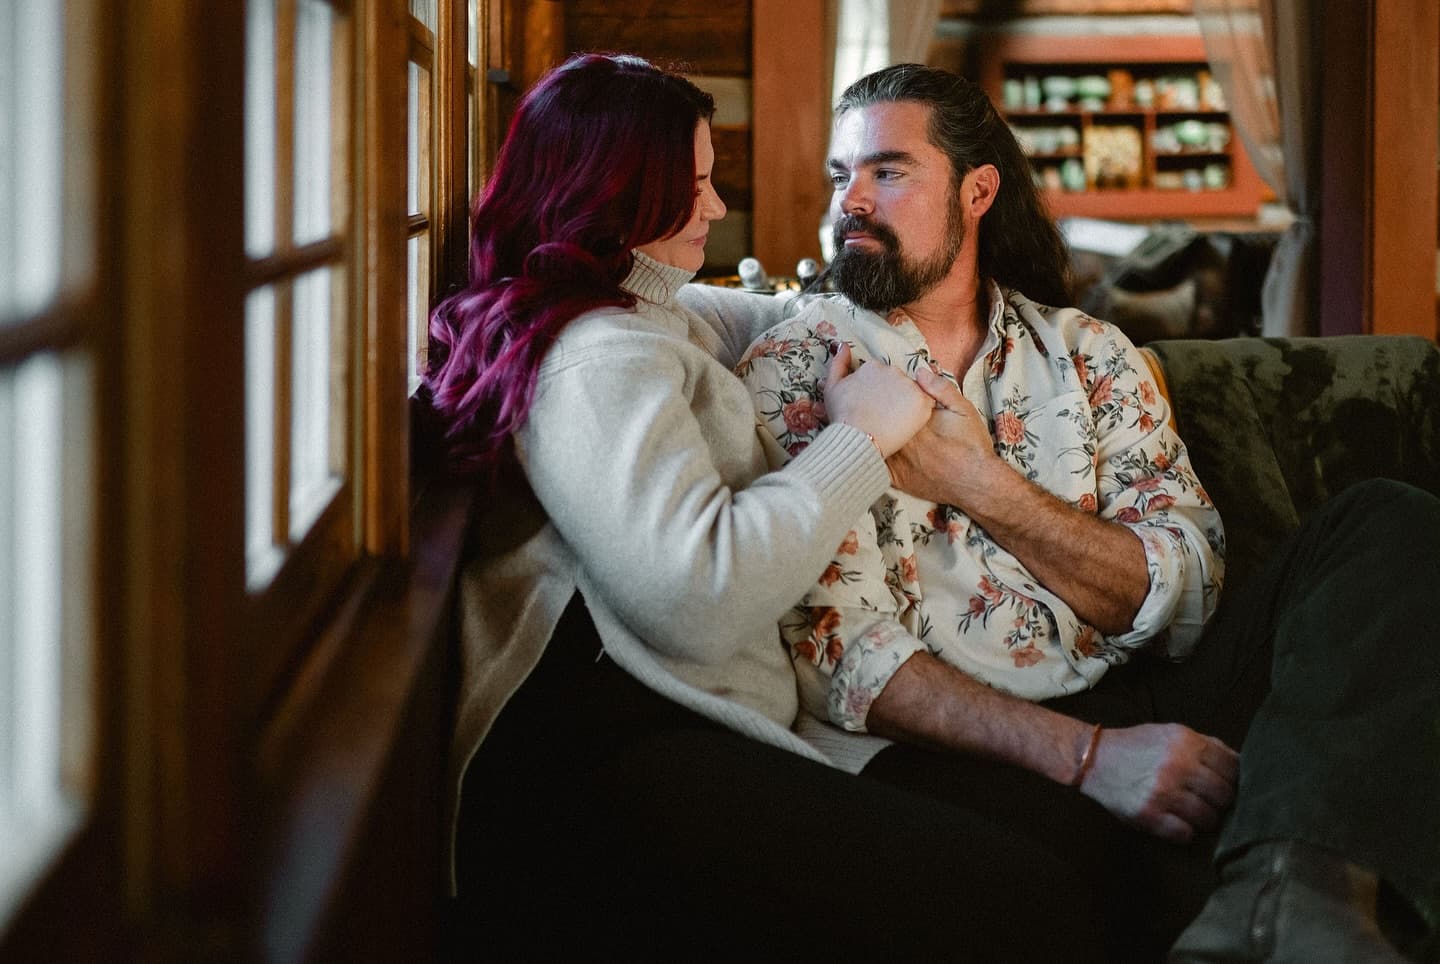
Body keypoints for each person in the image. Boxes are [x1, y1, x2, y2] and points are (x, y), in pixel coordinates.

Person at [737, 62, 1440, 962]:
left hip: (1151, 684)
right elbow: (839, 649)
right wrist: (1093, 757)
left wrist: (975, 482)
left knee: (1386, 521)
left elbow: (1186, 585)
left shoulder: (1090, 353)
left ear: (978, 189)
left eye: (889, 171)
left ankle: (1294, 893)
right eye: (843, 177)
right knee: (1058, 889)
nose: (853, 203)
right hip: (971, 739)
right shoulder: (799, 369)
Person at [428, 53, 1115, 960]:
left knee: (1061, 848)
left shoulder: (646, 312)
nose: (716, 207)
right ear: (619, 193)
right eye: (699, 184)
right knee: (1024, 903)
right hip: (614, 749)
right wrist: (858, 442)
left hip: (693, 719)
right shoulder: (597, 357)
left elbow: (775, 318)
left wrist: (908, 307)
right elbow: (697, 598)